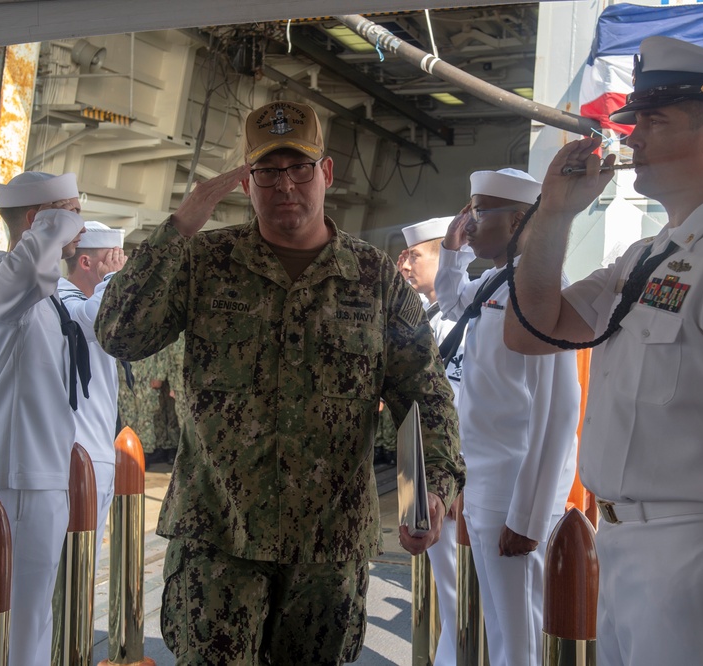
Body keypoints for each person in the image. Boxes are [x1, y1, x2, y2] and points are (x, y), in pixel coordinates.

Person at [503, 36, 703, 666]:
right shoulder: (653, 255)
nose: (632, 138)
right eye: (636, 122)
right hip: (627, 551)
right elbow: (531, 328)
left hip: (699, 560)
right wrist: (555, 213)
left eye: (654, 122)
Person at [95, 99, 464, 665]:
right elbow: (120, 333)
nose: (285, 185)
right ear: (248, 181)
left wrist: (426, 495)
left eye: (300, 169)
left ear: (327, 173)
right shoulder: (204, 261)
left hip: (328, 546)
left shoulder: (372, 280)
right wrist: (181, 223)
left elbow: (424, 395)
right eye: (268, 172)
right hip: (218, 538)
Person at [435, 170, 580, 666]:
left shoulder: (539, 289)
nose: (469, 223)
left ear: (519, 220)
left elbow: (558, 410)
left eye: (479, 213)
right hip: (483, 482)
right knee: (499, 631)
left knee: (520, 640)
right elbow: (454, 303)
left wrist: (531, 515)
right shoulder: (499, 279)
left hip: (513, 491)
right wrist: (452, 254)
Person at [0, 171, 87, 666]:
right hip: (14, 481)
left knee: (30, 627)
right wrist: (55, 222)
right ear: (39, 220)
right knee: (14, 631)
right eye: (73, 212)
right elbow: (31, 268)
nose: (81, 224)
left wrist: (58, 218)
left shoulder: (41, 296)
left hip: (36, 477)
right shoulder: (1, 282)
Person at [400, 215, 465, 666]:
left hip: (455, 476)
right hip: (421, 472)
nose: (404, 265)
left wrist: (458, 480)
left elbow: (470, 405)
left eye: (415, 255)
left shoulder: (472, 317)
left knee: (463, 593)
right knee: (445, 586)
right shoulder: (420, 318)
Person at [57, 220, 127, 561]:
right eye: (111, 258)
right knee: (67, 566)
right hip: (73, 454)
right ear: (85, 263)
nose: (120, 263)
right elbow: (89, 321)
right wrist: (114, 281)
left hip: (99, 450)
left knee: (85, 567)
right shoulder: (58, 297)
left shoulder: (99, 301)